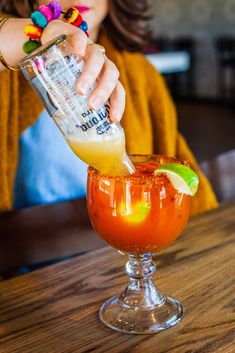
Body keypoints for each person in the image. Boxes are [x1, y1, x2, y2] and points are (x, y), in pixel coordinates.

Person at [0, 0, 218, 215]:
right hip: (26, 244)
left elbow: (185, 186)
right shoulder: (9, 72)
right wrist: (33, 35)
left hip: (120, 238)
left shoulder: (142, 76)